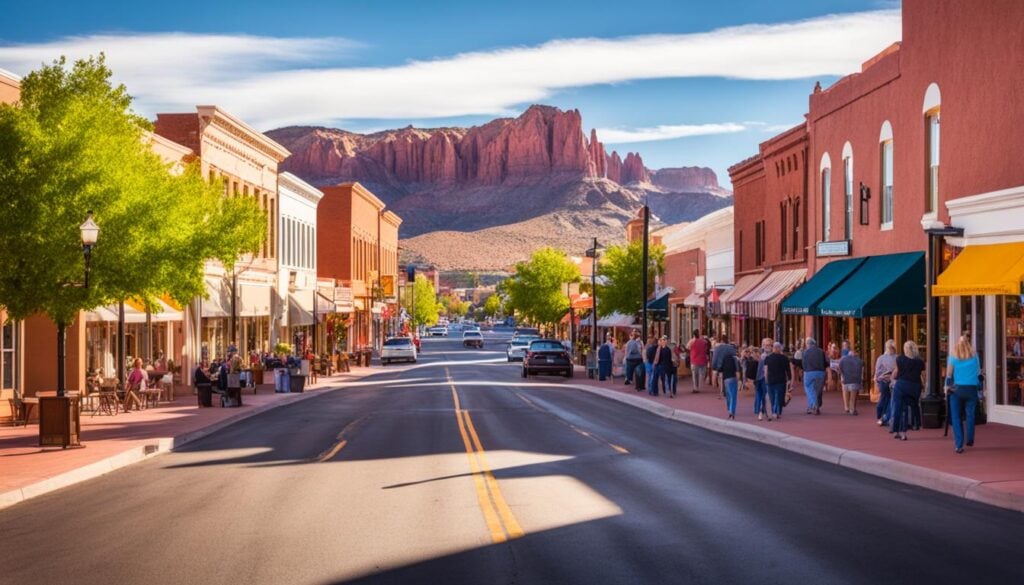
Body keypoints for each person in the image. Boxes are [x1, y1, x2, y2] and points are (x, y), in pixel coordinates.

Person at [946, 336, 981, 454]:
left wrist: (947, 386)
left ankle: (958, 444)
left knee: (956, 417)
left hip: (957, 389)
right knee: (970, 414)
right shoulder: (974, 356)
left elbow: (949, 374)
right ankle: (970, 439)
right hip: (971, 388)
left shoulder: (953, 357)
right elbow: (978, 372)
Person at [891, 341, 925, 441]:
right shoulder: (920, 361)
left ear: (905, 349)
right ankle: (915, 424)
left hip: (902, 385)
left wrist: (892, 379)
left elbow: (895, 373)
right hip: (915, 386)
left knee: (899, 407)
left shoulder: (899, 359)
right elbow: (923, 375)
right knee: (913, 406)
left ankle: (899, 431)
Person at [764, 342, 791, 421]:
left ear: (773, 348)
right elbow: (788, 370)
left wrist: (766, 379)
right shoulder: (784, 358)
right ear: (780, 348)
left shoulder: (768, 358)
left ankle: (773, 411)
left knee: (772, 397)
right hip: (781, 380)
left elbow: (766, 370)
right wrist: (789, 379)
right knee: (779, 397)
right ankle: (778, 411)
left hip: (771, 380)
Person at [874, 340, 898, 427]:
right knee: (887, 398)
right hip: (888, 380)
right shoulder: (884, 358)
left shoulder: (894, 357)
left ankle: (883, 416)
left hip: (888, 380)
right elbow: (877, 371)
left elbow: (878, 371)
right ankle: (883, 415)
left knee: (887, 398)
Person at [802, 337, 827, 415]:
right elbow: (825, 362)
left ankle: (814, 405)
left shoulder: (805, 352)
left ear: (808, 344)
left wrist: (805, 370)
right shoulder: (821, 351)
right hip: (820, 372)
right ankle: (810, 407)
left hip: (809, 372)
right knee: (817, 391)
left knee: (808, 388)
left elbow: (803, 364)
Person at [838, 347, 864, 415]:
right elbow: (861, 371)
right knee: (853, 397)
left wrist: (842, 376)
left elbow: (839, 369)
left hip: (846, 379)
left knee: (846, 393)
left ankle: (847, 407)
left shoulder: (843, 360)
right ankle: (852, 409)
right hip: (855, 380)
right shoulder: (860, 361)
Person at [721, 342, 741, 419]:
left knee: (728, 395)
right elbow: (737, 370)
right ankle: (732, 411)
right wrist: (739, 380)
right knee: (733, 396)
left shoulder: (724, 358)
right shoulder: (735, 358)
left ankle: (729, 408)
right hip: (732, 378)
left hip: (726, 379)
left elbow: (721, 370)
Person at [753, 338, 771, 419]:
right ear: (762, 346)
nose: (768, 346)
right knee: (762, 395)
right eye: (766, 345)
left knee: (764, 395)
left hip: (765, 379)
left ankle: (762, 411)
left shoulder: (765, 356)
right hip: (762, 379)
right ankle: (761, 411)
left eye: (769, 345)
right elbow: (759, 369)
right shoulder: (763, 356)